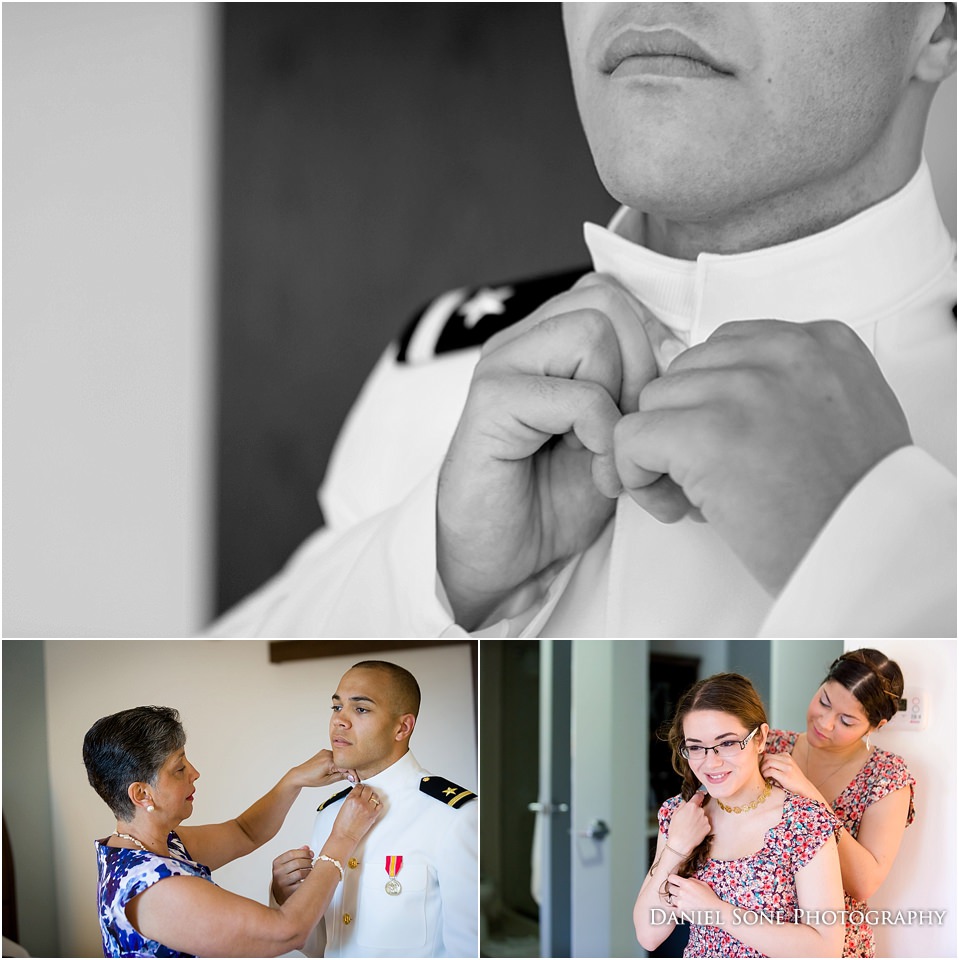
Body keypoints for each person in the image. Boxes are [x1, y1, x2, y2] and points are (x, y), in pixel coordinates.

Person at [209, 3, 956, 638]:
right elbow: (164, 779)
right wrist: (443, 573)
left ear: (938, 26)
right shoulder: (440, 373)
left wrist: (882, 559)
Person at [83, 705, 381, 958]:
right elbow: (286, 933)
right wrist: (343, 839)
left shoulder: (147, 847)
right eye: (178, 768)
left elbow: (245, 831)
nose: (194, 772)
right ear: (142, 794)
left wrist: (294, 780)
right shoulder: (155, 890)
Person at [270, 660, 478, 957]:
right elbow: (319, 949)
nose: (339, 721)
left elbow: (468, 951)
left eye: (361, 709)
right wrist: (284, 897)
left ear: (402, 727)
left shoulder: (455, 817)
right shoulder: (329, 814)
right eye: (336, 707)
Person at [634, 673, 845, 958]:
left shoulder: (803, 821)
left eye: (728, 743)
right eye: (695, 747)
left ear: (760, 738)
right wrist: (676, 847)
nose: (711, 761)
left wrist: (718, 912)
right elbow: (649, 936)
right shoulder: (681, 813)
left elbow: (825, 949)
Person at [760, 649, 916, 957]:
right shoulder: (771, 746)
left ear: (875, 726)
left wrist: (808, 794)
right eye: (824, 702)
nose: (826, 723)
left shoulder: (885, 775)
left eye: (846, 721)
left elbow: (863, 883)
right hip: (754, 930)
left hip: (833, 942)